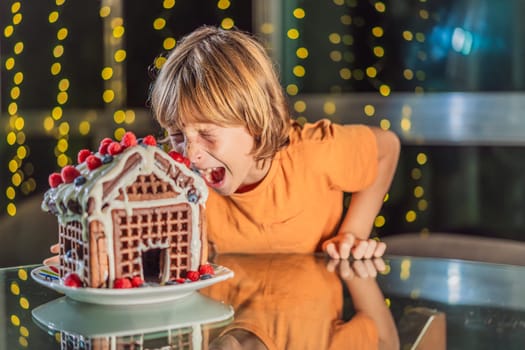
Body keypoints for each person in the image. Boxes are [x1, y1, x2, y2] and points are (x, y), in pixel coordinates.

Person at [148, 25, 400, 260]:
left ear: (256, 121)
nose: (189, 156)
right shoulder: (182, 187)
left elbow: (386, 147)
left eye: (207, 134)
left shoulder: (314, 152)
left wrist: (353, 233)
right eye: (178, 136)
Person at [204, 254, 400, 350]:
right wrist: (353, 264)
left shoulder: (183, 331)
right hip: (322, 255)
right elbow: (386, 343)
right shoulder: (314, 345)